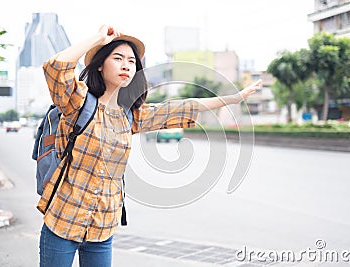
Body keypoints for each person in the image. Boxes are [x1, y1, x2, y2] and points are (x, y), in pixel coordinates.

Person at [37, 24, 262, 267]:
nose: (126, 65)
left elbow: (182, 107)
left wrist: (234, 99)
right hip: (63, 220)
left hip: (103, 226)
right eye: (118, 58)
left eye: (132, 61)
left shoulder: (129, 116)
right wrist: (97, 39)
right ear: (100, 64)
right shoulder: (77, 103)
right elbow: (56, 67)